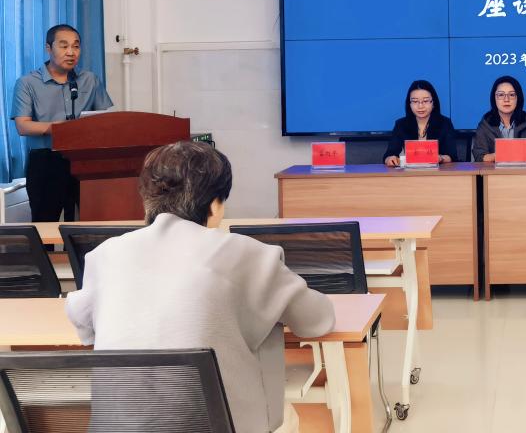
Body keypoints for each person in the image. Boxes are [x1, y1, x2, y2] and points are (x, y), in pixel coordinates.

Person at [65, 141, 336, 433]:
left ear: (147, 200)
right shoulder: (247, 253)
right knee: (288, 418)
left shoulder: (105, 255)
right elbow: (315, 321)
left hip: (120, 426)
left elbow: (84, 328)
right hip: (220, 424)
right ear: (215, 204)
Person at [10, 24, 113, 221]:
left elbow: (103, 120)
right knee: (44, 221)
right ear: (48, 48)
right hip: (46, 161)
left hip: (85, 159)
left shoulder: (90, 79)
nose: (71, 52)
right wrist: (65, 129)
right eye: (64, 46)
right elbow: (23, 126)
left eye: (76, 46)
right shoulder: (27, 83)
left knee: (92, 221)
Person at [383, 80, 460, 166]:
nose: (420, 106)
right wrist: (390, 159)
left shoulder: (445, 123)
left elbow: (452, 156)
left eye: (425, 101)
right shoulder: (401, 124)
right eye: (415, 101)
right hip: (410, 172)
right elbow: (388, 155)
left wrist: (441, 158)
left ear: (433, 103)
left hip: (437, 172)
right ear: (409, 104)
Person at [472, 75, 526, 162]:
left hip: (524, 170)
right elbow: (479, 155)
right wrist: (508, 156)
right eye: (501, 95)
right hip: (494, 171)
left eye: (511, 95)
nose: (506, 99)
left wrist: (514, 157)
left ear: (518, 98)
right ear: (494, 98)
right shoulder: (485, 124)